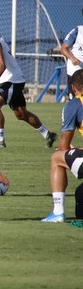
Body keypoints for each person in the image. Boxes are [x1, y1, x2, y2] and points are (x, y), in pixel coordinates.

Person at [0, 12, 58, 149]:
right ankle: (48, 134)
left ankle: (0, 141)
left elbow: (1, 64)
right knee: (21, 114)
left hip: (12, 80)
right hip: (11, 80)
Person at [42, 69, 83, 222]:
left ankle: (58, 212)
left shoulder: (75, 104)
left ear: (73, 88)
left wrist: (69, 149)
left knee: (56, 158)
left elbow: (64, 145)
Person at [59, 13, 83, 100]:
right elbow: (63, 49)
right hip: (75, 72)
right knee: (75, 102)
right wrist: (72, 58)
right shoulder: (78, 31)